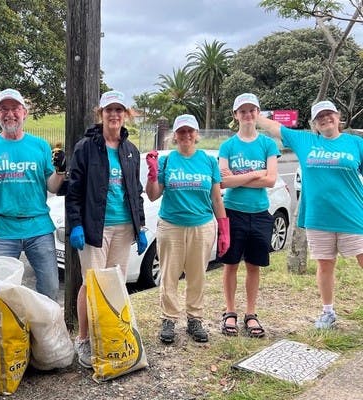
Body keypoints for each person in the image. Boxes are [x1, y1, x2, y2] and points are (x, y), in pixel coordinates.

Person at [257, 100, 363, 329]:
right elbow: (275, 128)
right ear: (314, 123)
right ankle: (328, 312)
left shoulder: (355, 143)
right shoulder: (306, 140)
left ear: (338, 116)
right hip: (318, 217)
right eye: (320, 117)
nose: (325, 119)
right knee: (325, 265)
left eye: (329, 114)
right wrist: (252, 115)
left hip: (353, 214)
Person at [66, 90, 147, 368]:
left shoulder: (130, 151)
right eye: (109, 110)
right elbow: (74, 190)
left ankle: (109, 333)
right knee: (92, 284)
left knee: (116, 283)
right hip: (94, 228)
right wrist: (75, 224)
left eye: (119, 110)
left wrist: (142, 226)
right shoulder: (85, 148)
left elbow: (135, 190)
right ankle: (84, 338)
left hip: (124, 227)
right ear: (100, 114)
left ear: (125, 115)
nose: (114, 115)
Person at [0, 89, 65, 301]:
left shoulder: (39, 146)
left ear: (25, 113)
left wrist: (60, 172)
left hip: (38, 227)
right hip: (3, 229)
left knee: (49, 289)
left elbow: (52, 187)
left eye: (15, 108)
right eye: (4, 109)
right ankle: (8, 333)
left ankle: (42, 333)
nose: (9, 113)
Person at [145, 114, 229, 344]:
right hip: (171, 226)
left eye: (190, 131)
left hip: (201, 226)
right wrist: (152, 174)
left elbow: (216, 198)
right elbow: (153, 195)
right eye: (181, 131)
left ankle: (195, 318)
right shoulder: (167, 161)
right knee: (169, 275)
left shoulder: (208, 161)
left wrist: (224, 229)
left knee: (197, 275)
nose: (186, 135)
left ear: (196, 134)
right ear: (175, 136)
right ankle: (169, 319)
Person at [218, 93, 280, 338]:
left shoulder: (267, 144)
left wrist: (238, 178)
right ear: (236, 115)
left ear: (258, 113)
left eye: (252, 110)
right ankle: (230, 311)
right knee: (230, 264)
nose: (247, 115)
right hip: (233, 212)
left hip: (260, 213)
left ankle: (251, 313)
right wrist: (256, 174)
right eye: (242, 111)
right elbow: (223, 182)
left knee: (254, 265)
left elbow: (272, 179)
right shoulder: (228, 146)